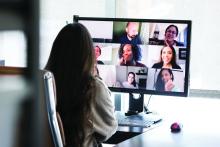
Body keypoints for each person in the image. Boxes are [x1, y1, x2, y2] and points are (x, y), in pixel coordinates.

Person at [45, 23, 117, 147]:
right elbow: (109, 130)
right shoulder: (92, 87)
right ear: (88, 55)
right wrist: (97, 78)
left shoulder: (45, 82)